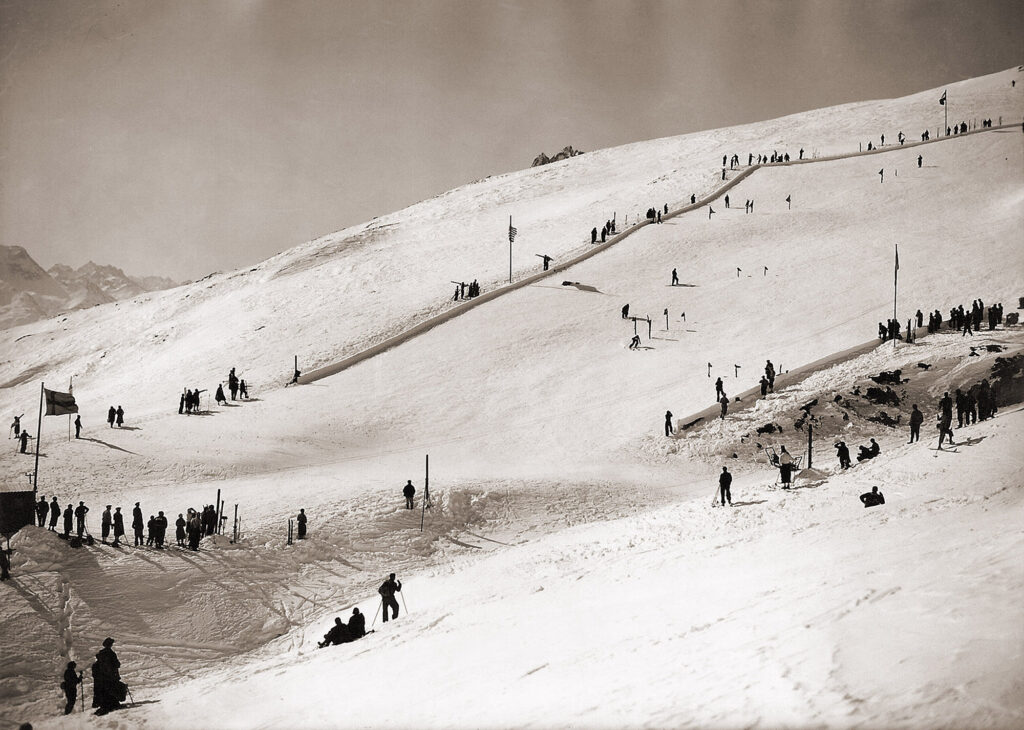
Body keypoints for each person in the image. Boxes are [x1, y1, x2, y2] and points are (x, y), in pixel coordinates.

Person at [91, 637, 125, 715]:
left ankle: (106, 705)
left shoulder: (101, 654)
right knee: (112, 689)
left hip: (102, 677)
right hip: (111, 676)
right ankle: (113, 704)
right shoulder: (111, 653)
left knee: (105, 691)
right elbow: (117, 664)